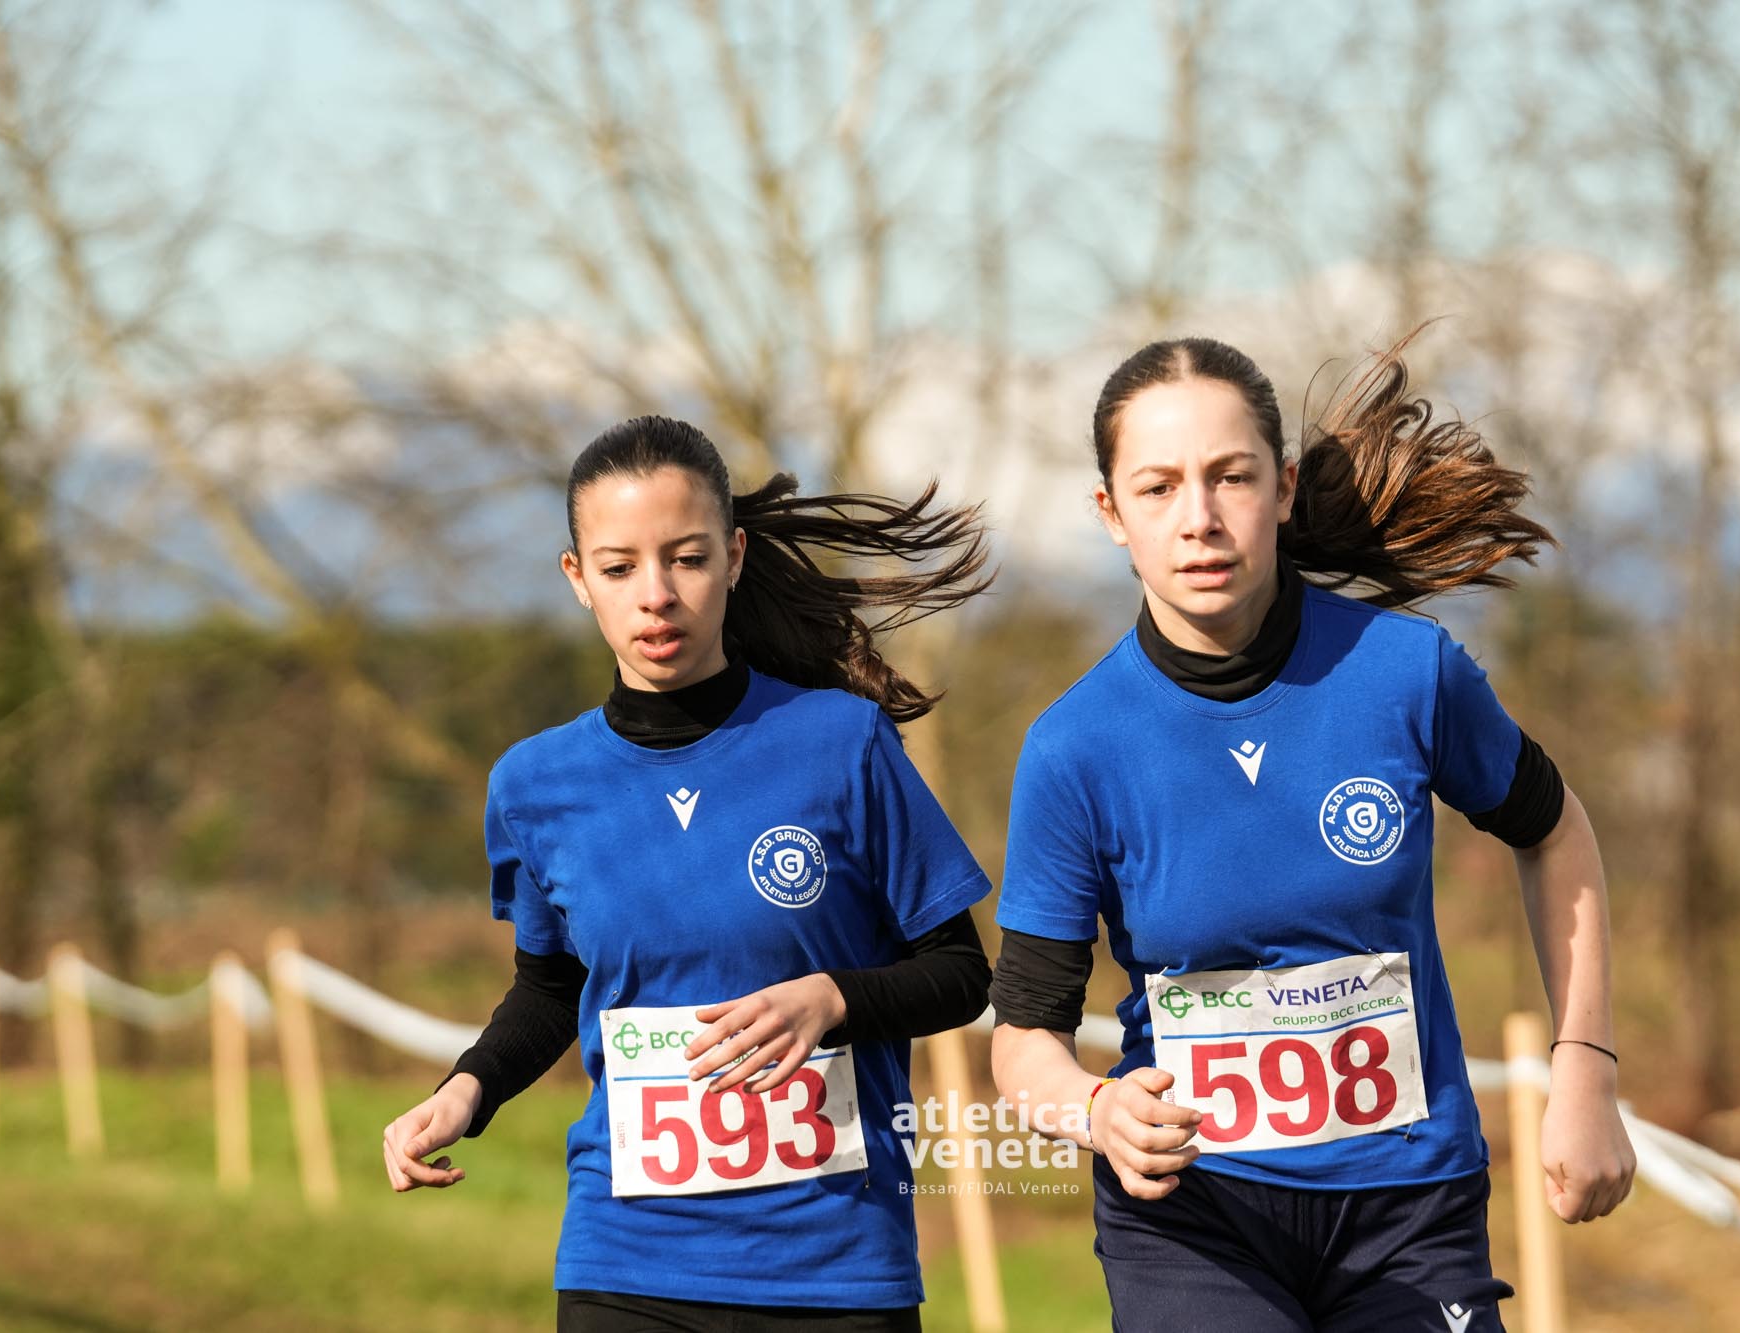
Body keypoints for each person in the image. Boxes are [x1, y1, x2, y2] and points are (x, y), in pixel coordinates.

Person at [987, 335, 1635, 1332]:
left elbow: (1555, 835)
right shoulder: (1074, 747)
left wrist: (1584, 1067)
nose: (1199, 517)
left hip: (1409, 1209)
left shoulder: (1407, 673)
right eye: (1158, 487)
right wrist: (1094, 1110)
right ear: (1111, 513)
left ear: (1282, 487)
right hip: (1193, 1215)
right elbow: (1025, 1040)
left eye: (1230, 476)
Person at [380, 416, 997, 1333]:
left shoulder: (844, 742)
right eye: (619, 567)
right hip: (625, 1261)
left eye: (688, 558)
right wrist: (464, 1091)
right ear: (577, 577)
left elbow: (961, 973)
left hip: (833, 1270)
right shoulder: (533, 785)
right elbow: (551, 989)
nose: (656, 595)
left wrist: (831, 999)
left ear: (734, 557)